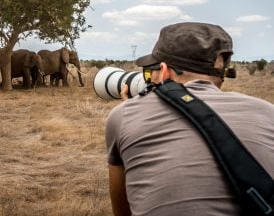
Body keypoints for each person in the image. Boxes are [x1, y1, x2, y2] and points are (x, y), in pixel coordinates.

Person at [105, 22, 274, 216]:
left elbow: (122, 211)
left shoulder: (123, 116)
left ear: (165, 70)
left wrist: (129, 110)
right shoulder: (268, 111)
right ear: (221, 75)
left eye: (151, 71)